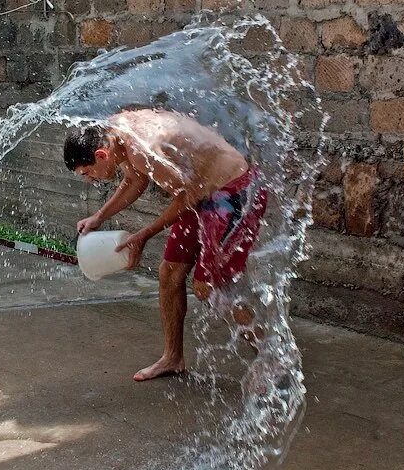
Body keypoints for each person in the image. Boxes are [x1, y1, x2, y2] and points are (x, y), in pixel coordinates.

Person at [64, 108, 267, 381]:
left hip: (233, 193)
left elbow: (187, 195)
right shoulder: (116, 135)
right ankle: (172, 358)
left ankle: (271, 359)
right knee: (169, 274)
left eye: (88, 173)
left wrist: (145, 234)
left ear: (101, 156)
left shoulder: (143, 147)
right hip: (201, 194)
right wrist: (99, 216)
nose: (91, 180)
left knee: (209, 287)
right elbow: (135, 179)